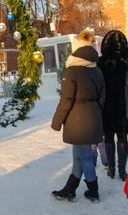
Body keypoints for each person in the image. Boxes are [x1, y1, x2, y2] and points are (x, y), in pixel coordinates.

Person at [51, 29, 105, 203]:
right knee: (79, 155)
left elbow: (66, 100)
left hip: (78, 121)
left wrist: (56, 122)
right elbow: (102, 97)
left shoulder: (72, 71)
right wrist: (94, 112)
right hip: (93, 119)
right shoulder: (96, 70)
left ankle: (93, 191)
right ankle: (70, 189)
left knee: (85, 157)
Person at [97, 30, 128, 181]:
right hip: (123, 107)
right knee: (122, 137)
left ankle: (112, 169)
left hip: (106, 107)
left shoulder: (100, 62)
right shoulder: (125, 62)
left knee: (108, 137)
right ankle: (122, 171)